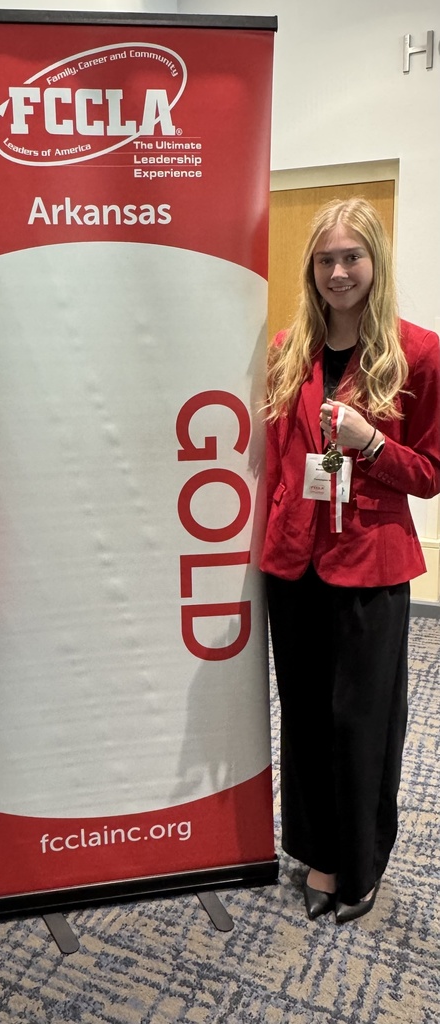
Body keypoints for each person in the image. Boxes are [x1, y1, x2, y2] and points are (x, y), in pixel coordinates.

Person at [261, 197, 440, 923]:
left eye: (352, 258)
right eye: (326, 259)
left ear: (375, 264)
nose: (338, 272)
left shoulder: (418, 354)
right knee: (303, 719)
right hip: (293, 564)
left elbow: (430, 473)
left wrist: (370, 443)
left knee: (361, 721)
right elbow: (276, 463)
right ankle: (322, 855)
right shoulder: (285, 350)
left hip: (370, 563)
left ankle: (361, 862)